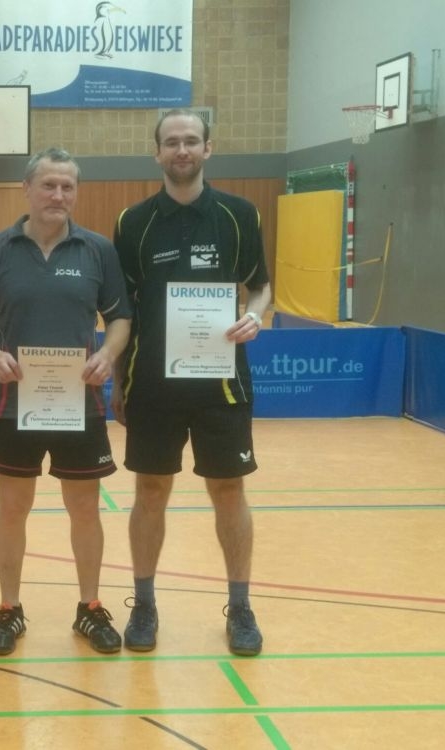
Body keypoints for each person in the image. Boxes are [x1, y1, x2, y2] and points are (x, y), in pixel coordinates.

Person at [0, 147, 132, 655]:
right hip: (14, 403)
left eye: (67, 187)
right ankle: (9, 608)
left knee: (85, 509)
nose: (58, 195)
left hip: (80, 402)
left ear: (76, 192)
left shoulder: (98, 250)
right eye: (49, 185)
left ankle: (90, 608)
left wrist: (108, 355)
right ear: (27, 189)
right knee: (13, 508)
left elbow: (120, 317)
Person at [112, 109, 272, 657]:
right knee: (150, 491)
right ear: (156, 152)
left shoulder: (239, 215)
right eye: (171, 142)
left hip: (221, 385)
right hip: (152, 386)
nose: (181, 150)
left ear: (208, 148)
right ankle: (144, 604)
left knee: (229, 491)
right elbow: (122, 310)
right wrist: (118, 383)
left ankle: (241, 607)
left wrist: (255, 315)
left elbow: (260, 285)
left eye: (191, 141)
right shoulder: (133, 222)